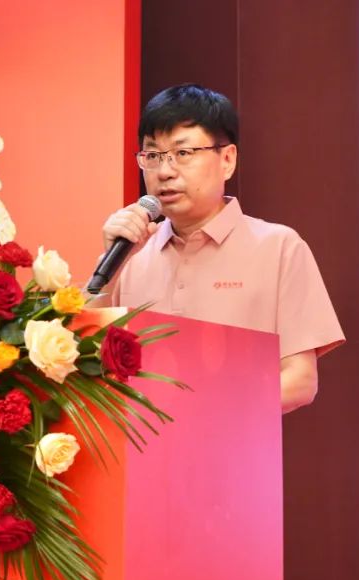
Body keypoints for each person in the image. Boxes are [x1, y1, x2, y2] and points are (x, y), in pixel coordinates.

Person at [93, 83, 344, 413]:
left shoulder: (279, 247)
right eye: (152, 156)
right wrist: (110, 266)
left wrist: (208, 412)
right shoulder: (132, 254)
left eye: (183, 153)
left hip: (236, 443)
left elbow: (300, 381)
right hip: (140, 445)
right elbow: (84, 364)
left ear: (227, 159)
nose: (164, 172)